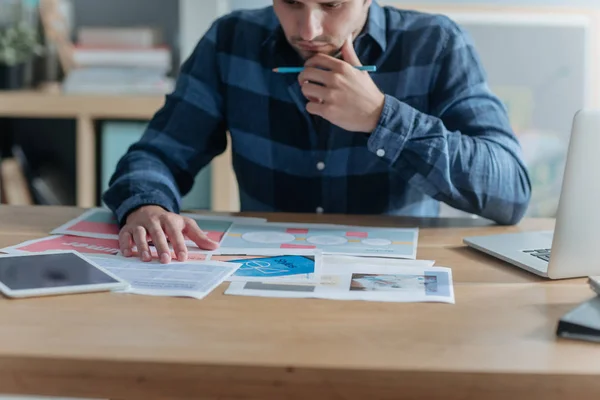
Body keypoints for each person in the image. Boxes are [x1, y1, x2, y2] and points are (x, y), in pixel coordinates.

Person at [103, 0, 532, 264]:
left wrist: (381, 117)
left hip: (396, 281)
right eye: (291, 2)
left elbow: (510, 191)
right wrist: (147, 206)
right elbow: (157, 154)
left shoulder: (435, 44)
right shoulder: (231, 40)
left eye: (330, 4)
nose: (308, 31)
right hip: (263, 273)